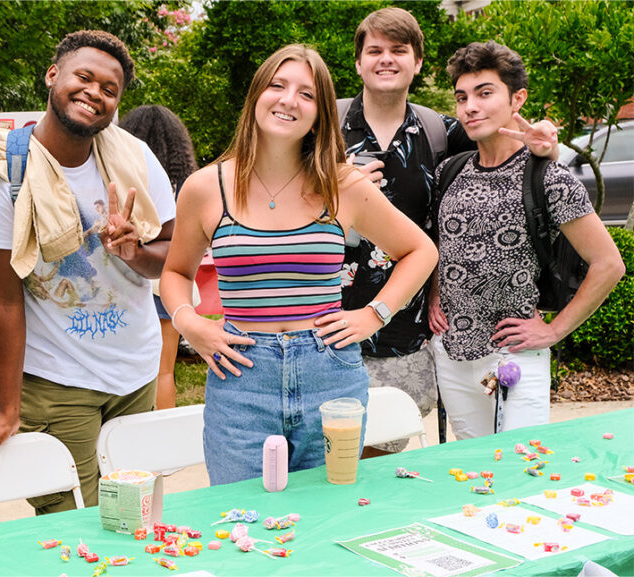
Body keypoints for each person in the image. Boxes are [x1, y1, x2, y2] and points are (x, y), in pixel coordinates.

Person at [159, 44, 438, 486]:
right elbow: (175, 273)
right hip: (241, 377)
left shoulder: (342, 184)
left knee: (327, 518)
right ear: (255, 97)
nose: (289, 100)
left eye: (307, 94)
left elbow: (421, 251)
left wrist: (374, 314)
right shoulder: (205, 187)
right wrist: (190, 322)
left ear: (320, 113)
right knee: (241, 519)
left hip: (331, 376)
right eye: (277, 86)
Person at [0, 30, 176, 513]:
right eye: (83, 77)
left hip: (136, 373)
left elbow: (174, 253)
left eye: (110, 89)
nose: (95, 93)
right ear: (53, 76)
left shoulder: (134, 159)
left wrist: (134, 252)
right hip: (57, 383)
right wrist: (9, 410)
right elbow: (3, 300)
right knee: (70, 526)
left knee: (135, 514)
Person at [339, 7, 561, 455]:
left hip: (408, 331)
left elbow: (507, 154)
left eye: (399, 50)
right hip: (328, 323)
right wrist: (333, 190)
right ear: (358, 62)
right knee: (326, 455)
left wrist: (549, 149)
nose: (386, 59)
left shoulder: (445, 131)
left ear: (417, 62)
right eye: (375, 50)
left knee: (384, 453)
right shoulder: (322, 127)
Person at [428, 41, 624, 440]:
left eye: (485, 93)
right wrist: (435, 294)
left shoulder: (548, 176)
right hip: (451, 354)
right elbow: (440, 244)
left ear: (517, 98)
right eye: (462, 97)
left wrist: (553, 331)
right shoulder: (449, 170)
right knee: (470, 470)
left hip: (515, 353)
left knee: (519, 468)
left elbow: (609, 264)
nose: (470, 107)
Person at [118, 105, 198, 410]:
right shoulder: (185, 184)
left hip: (132, 278)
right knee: (165, 371)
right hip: (172, 281)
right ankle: (163, 446)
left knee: (130, 373)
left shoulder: (126, 176)